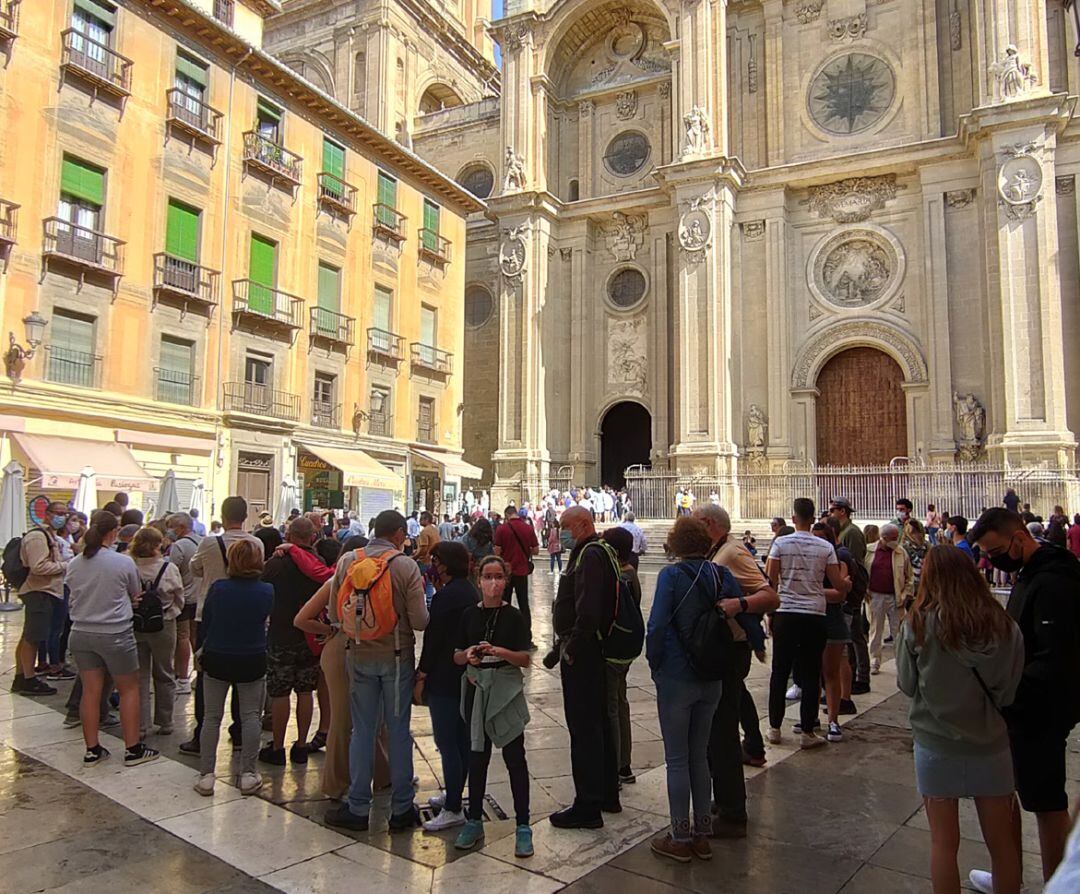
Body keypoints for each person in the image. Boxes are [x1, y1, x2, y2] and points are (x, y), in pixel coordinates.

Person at [897, 545, 1025, 894]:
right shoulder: (1004, 626)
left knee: (943, 844)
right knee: (1002, 844)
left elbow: (907, 684)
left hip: (935, 744)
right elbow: (1008, 693)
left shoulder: (918, 624)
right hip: (991, 744)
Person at [968, 508, 1080, 891]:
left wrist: (1010, 693)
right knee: (1009, 793)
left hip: (1040, 710)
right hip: (1022, 709)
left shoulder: (1054, 582)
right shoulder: (1032, 572)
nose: (993, 559)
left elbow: (1054, 658)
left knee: (1046, 803)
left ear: (1018, 537)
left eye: (996, 551)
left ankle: (1057, 884)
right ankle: (1008, 878)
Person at [324, 510, 429, 832]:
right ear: (398, 534)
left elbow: (334, 615)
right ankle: (401, 809)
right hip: (396, 657)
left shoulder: (348, 561)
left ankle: (358, 808)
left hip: (358, 655)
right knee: (398, 731)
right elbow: (420, 621)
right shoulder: (405, 566)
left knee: (362, 731)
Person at [646, 517, 738, 862]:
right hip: (711, 675)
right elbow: (737, 612)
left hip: (676, 675)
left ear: (676, 544)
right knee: (700, 756)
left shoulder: (670, 576)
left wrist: (655, 662)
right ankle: (702, 835)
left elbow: (656, 625)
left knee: (677, 759)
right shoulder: (721, 574)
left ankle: (680, 837)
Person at [693, 504, 778, 833]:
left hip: (731, 649)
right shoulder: (719, 550)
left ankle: (732, 813)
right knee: (716, 729)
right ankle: (726, 799)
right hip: (721, 648)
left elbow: (770, 596)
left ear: (709, 523)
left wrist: (738, 604)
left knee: (722, 732)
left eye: (695, 523)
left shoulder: (733, 552)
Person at [451, 555, 534, 857]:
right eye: (488, 576)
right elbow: (457, 655)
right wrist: (470, 655)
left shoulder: (514, 616)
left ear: (506, 580)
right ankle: (474, 820)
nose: (493, 583)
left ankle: (523, 824)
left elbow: (525, 658)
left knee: (515, 757)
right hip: (477, 688)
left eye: (498, 576)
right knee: (477, 757)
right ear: (478, 580)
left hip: (505, 690)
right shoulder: (468, 615)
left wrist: (499, 651)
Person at [66, 510, 160, 766]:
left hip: (81, 631)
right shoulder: (122, 562)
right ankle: (132, 749)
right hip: (115, 632)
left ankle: (92, 749)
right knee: (128, 689)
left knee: (90, 691)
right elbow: (135, 592)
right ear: (113, 532)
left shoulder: (75, 563)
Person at [550, 506, 620, 829]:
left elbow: (588, 610)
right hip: (593, 650)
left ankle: (588, 806)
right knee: (598, 723)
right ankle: (607, 794)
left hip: (585, 653)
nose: (561, 532)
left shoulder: (589, 555)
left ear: (582, 524)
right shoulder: (596, 551)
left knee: (584, 728)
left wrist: (572, 648)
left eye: (565, 526)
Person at [180, 496, 263, 755]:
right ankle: (239, 733)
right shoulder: (256, 543)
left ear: (224, 517)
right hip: (246, 613)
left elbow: (195, 569)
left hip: (210, 614)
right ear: (245, 517)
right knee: (244, 676)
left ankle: (200, 735)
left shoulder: (208, 543)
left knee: (206, 673)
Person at [765, 498, 849, 748]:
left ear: (793, 519)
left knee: (780, 672)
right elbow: (837, 584)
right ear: (813, 519)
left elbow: (771, 581)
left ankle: (774, 728)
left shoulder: (780, 543)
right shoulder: (825, 547)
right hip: (814, 614)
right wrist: (846, 584)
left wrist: (770, 612)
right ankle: (807, 732)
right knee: (812, 673)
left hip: (786, 613)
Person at [193, 539, 273, 796]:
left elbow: (207, 621)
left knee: (211, 717)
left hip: (218, 654)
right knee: (250, 716)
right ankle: (248, 773)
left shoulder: (218, 588)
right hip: (252, 656)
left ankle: (206, 775)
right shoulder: (267, 590)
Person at [416, 542, 477, 832]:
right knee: (461, 740)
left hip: (443, 676)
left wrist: (422, 672)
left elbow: (434, 639)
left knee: (446, 742)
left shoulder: (446, 596)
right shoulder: (470, 591)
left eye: (436, 560)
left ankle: (453, 807)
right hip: (464, 674)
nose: (434, 565)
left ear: (445, 563)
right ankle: (454, 794)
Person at [259, 517, 327, 766]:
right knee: (305, 691)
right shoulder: (317, 562)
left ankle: (277, 747)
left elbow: (263, 588)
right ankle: (300, 745)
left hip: (281, 633)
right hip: (309, 635)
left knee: (280, 693)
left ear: (289, 535)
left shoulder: (277, 562)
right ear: (312, 537)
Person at [130, 527, 185, 739]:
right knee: (164, 671)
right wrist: (171, 611)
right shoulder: (168, 568)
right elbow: (179, 596)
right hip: (164, 623)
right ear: (158, 544)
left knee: (139, 675)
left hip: (136, 623)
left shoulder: (130, 566)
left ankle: (141, 725)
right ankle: (165, 720)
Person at [12, 500, 69, 696]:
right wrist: (65, 566)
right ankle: (28, 679)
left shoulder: (49, 535)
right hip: (38, 591)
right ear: (47, 513)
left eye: (64, 513)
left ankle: (21, 676)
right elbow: (38, 567)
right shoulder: (37, 536)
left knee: (29, 636)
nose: (62, 517)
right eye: (58, 513)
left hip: (44, 591)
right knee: (33, 638)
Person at [600, 526, 642, 787]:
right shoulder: (631, 573)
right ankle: (624, 764)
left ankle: (614, 767)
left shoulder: (616, 576)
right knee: (621, 702)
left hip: (613, 650)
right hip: (627, 648)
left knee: (611, 708)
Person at [811, 521, 854, 744]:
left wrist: (810, 590)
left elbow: (839, 595)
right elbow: (838, 588)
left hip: (831, 619)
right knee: (811, 672)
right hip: (812, 618)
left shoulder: (838, 559)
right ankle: (810, 718)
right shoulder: (808, 560)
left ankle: (833, 720)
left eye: (821, 538)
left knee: (831, 672)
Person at [828, 498, 870, 694]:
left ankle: (861, 677)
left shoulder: (851, 533)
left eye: (832, 510)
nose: (830, 513)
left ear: (842, 511)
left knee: (855, 636)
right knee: (851, 636)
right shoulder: (844, 531)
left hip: (851, 591)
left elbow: (853, 564)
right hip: (846, 590)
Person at [866, 523, 914, 674]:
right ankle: (874, 661)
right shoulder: (869, 551)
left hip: (896, 597)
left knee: (898, 632)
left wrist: (905, 595)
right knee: (875, 630)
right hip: (875, 596)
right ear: (884, 538)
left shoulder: (901, 552)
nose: (896, 540)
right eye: (893, 538)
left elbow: (909, 577)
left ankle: (901, 663)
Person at [493, 504, 539, 650]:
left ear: (507, 515)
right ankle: (526, 639)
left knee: (504, 604)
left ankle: (503, 637)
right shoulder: (528, 528)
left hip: (506, 572)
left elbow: (497, 551)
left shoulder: (502, 529)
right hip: (522, 572)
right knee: (524, 604)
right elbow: (536, 550)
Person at [166, 512, 201, 696]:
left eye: (172, 526)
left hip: (184, 597)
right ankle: (200, 674)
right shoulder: (203, 542)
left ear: (181, 527)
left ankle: (182, 678)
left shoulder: (179, 546)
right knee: (196, 637)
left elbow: (172, 571)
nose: (169, 530)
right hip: (199, 596)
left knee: (182, 637)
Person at [415, 511, 441, 603]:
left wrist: (414, 557)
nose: (419, 520)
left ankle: (427, 602)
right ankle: (430, 602)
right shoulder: (435, 529)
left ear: (426, 519)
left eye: (421, 519)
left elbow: (424, 549)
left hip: (425, 560)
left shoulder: (424, 532)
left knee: (420, 582)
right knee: (429, 582)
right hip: (434, 559)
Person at [459, 517, 494, 581]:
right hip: (482, 567)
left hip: (473, 567)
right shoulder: (488, 539)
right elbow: (491, 556)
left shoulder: (468, 537)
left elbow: (467, 555)